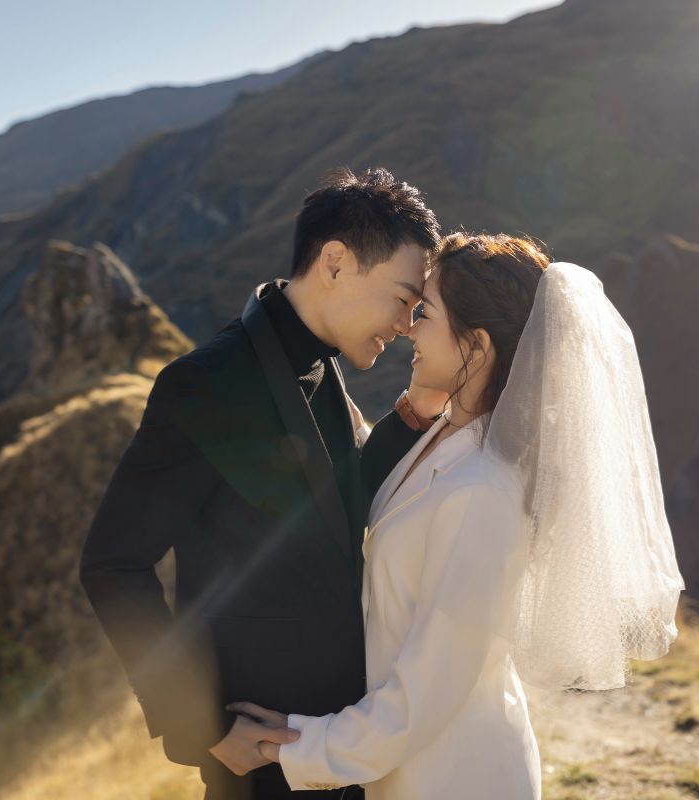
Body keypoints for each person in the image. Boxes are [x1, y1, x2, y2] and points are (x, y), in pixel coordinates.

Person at [227, 233, 687, 799]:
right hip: (410, 768)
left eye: (428, 314)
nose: (409, 327)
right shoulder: (447, 437)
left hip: (454, 776)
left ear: (477, 346)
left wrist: (293, 743)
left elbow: (425, 695)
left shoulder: (483, 493)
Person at [79, 166, 448, 799]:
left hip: (335, 739)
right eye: (404, 298)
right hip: (260, 759)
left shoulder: (320, 366)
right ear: (335, 262)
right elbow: (113, 564)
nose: (408, 323)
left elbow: (333, 508)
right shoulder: (206, 383)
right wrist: (202, 728)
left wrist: (415, 414)